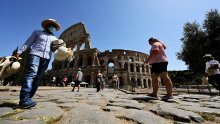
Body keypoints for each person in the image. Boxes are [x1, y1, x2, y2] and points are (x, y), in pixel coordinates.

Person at [14, 19, 61, 108]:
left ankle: (28, 98)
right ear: (47, 26)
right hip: (35, 54)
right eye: (51, 25)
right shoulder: (37, 32)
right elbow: (28, 43)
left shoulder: (55, 39)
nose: (53, 28)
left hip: (46, 58)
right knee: (31, 74)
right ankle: (24, 98)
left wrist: (65, 51)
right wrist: (19, 52)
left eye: (54, 26)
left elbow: (56, 51)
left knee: (38, 78)